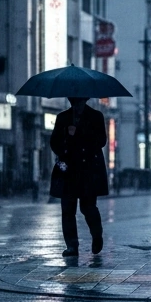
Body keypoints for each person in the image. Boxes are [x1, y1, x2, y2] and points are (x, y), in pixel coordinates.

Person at [50, 97, 109, 256]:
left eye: (79, 101)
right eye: (73, 101)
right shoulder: (63, 117)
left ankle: (97, 235)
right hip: (69, 170)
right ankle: (72, 245)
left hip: (88, 170)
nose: (76, 105)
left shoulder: (96, 116)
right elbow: (54, 142)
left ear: (85, 101)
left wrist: (79, 133)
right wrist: (66, 143)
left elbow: (101, 141)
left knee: (88, 207)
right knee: (68, 209)